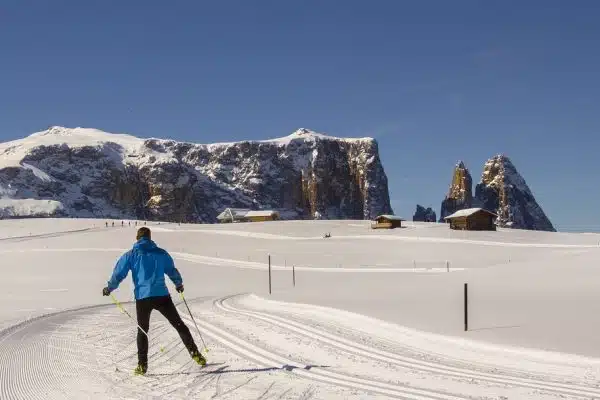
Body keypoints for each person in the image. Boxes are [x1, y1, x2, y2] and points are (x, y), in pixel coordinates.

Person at [102, 227, 206, 375]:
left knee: (143, 331)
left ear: (137, 238)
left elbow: (119, 274)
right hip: (162, 296)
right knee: (179, 325)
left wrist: (109, 288)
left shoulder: (130, 255)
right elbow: (171, 270)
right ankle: (196, 354)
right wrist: (178, 284)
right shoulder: (161, 253)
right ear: (150, 238)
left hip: (143, 298)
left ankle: (142, 366)